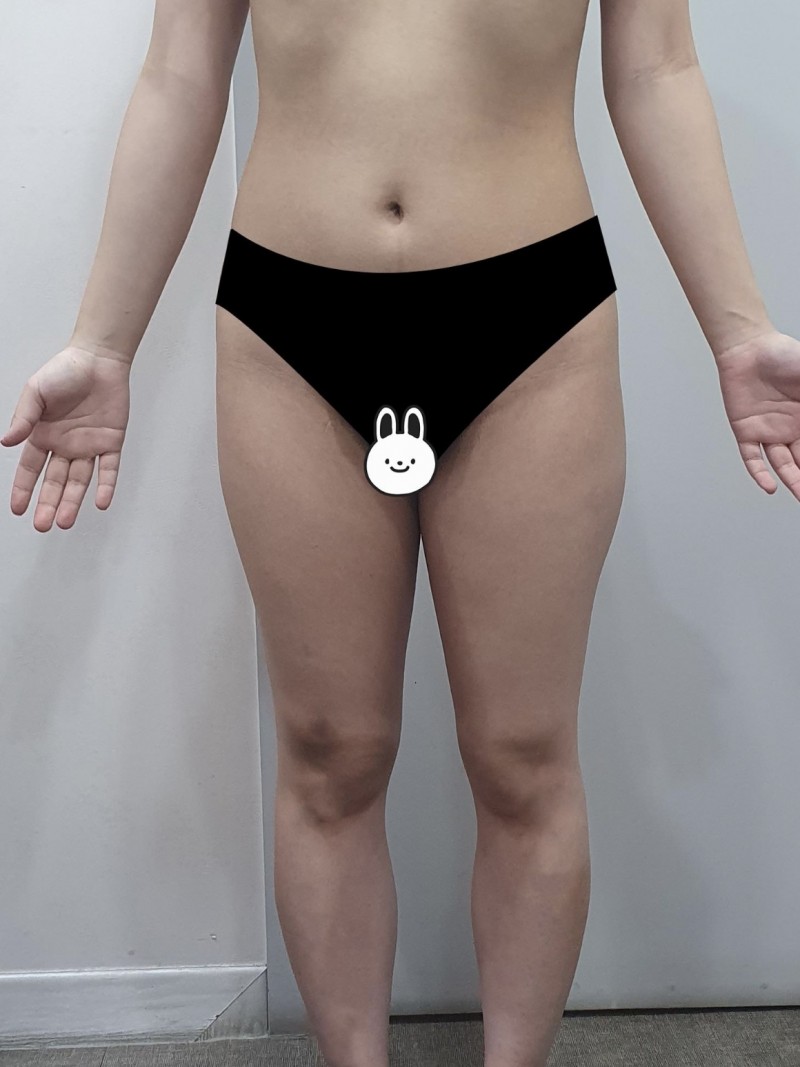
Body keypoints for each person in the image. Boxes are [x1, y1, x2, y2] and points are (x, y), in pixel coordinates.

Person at [4, 1, 799, 1064]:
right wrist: (105, 340)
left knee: (522, 754)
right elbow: (180, 75)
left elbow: (655, 72)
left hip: (536, 316)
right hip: (288, 318)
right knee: (331, 750)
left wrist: (736, 327)